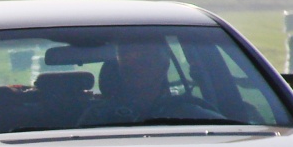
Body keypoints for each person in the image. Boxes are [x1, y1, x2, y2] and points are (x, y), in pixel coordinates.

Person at [79, 38, 223, 126]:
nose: (136, 66)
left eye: (145, 59)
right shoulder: (97, 117)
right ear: (119, 68)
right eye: (127, 59)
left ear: (164, 65)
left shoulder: (195, 116)